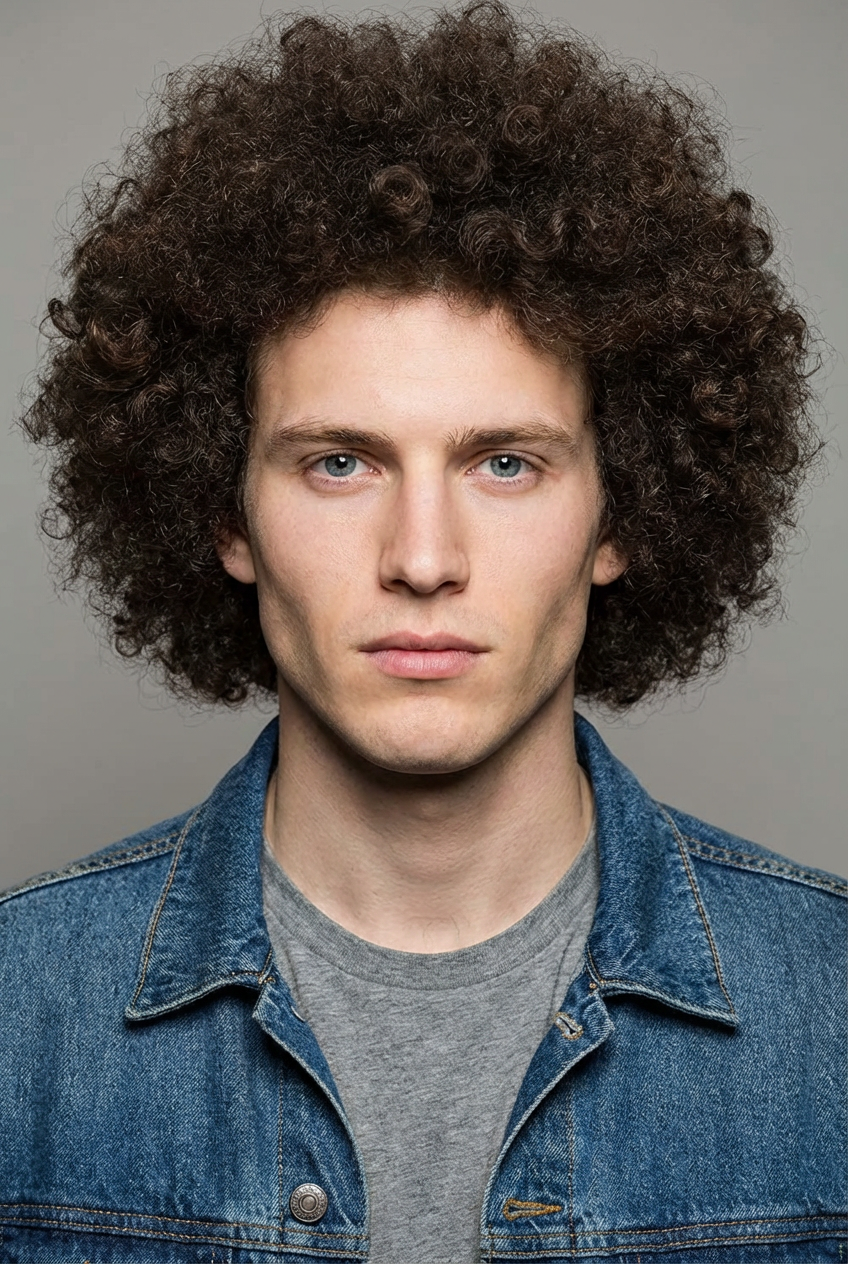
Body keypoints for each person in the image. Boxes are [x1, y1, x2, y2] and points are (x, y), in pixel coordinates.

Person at [2, 3, 845, 1261]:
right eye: (338, 463)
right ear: (222, 511)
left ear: (622, 515)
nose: (422, 559)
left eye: (505, 463)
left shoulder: (829, 1010)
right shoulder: (22, 1015)